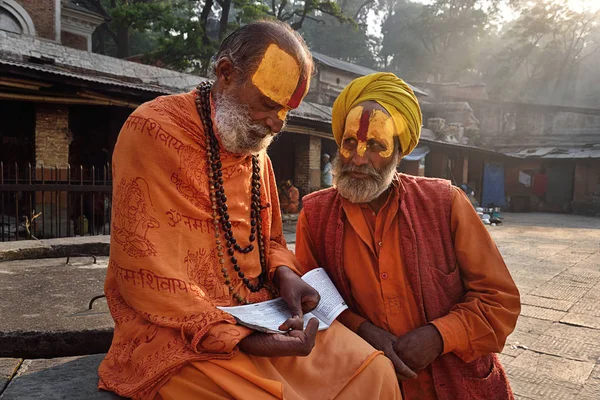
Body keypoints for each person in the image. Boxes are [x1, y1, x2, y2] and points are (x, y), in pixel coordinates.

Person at [98, 22, 400, 400]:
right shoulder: (151, 131)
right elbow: (142, 271)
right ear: (226, 73)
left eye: (286, 111)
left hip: (264, 314)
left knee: (374, 371)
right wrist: (245, 339)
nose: (277, 123)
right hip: (179, 332)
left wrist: (286, 273)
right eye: (269, 105)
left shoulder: (257, 154)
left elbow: (269, 240)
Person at [295, 72, 521, 399]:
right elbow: (310, 297)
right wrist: (363, 329)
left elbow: (500, 302)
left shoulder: (445, 203)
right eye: (349, 143)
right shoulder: (315, 216)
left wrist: (439, 336)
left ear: (400, 153)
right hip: (368, 383)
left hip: (457, 384)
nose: (358, 158)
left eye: (375, 145)